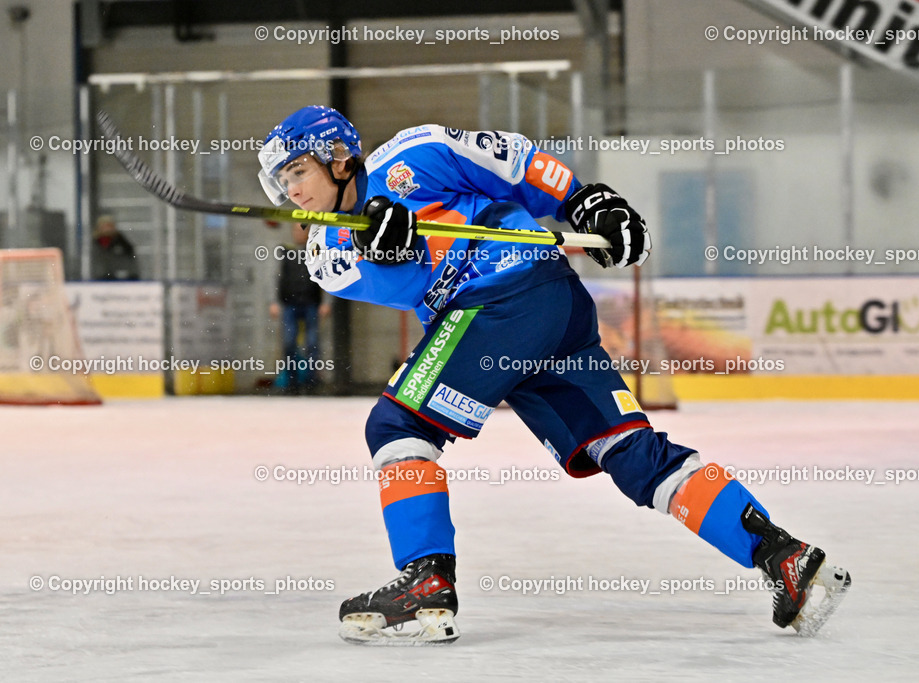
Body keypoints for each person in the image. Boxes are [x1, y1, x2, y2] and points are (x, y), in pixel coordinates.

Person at [257, 106, 850, 645]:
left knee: (397, 425)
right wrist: (387, 246)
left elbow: (513, 164)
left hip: (505, 298)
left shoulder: (416, 154)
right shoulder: (324, 252)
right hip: (543, 311)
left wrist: (586, 201)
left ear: (340, 159)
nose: (292, 191)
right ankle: (781, 554)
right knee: (628, 450)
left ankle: (425, 578)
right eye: (283, 180)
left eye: (298, 172)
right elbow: (382, 275)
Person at [269, 222, 330, 394]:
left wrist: (326, 302)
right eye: (296, 230)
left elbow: (327, 275)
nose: (299, 233)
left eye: (303, 230)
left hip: (312, 303)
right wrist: (273, 301)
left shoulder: (317, 250)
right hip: (290, 304)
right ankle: (292, 382)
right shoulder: (285, 252)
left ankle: (311, 382)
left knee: (312, 344)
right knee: (289, 343)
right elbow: (275, 277)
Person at [91, 214, 139, 281]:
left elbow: (129, 261)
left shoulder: (122, 243)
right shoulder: (94, 244)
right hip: (101, 278)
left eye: (109, 226)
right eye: (104, 226)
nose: (107, 229)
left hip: (119, 278)